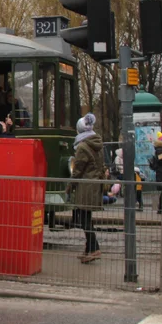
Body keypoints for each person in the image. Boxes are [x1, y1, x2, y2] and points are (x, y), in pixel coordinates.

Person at [70, 113, 104, 263]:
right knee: (86, 217)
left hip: (85, 186)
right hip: (95, 184)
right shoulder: (96, 143)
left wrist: (69, 187)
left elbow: (77, 170)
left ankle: (94, 248)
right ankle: (89, 248)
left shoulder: (82, 146)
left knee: (84, 219)